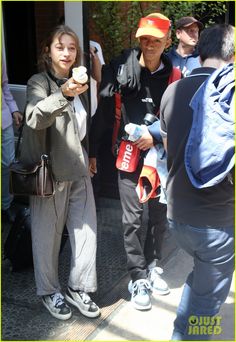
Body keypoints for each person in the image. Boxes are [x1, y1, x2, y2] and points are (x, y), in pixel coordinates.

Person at [90, 13, 181, 311]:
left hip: (160, 157)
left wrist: (154, 137)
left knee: (158, 216)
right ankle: (137, 276)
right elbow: (104, 112)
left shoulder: (174, 75)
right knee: (131, 218)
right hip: (127, 155)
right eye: (145, 38)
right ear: (139, 39)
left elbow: (178, 120)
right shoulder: (121, 70)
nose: (150, 44)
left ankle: (153, 264)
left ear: (167, 41)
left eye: (156, 39)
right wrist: (93, 152)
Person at [19, 25, 100, 320]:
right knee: (47, 235)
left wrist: (90, 154)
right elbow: (33, 118)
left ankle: (78, 288)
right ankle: (49, 291)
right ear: (47, 51)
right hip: (50, 171)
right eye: (60, 47)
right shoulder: (38, 82)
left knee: (87, 231)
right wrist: (64, 93)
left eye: (72, 48)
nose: (67, 53)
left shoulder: (82, 82)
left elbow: (85, 122)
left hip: (78, 167)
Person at [160, 24, 235, 340]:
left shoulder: (172, 91)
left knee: (200, 279)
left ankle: (180, 330)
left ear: (201, 50)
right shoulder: (230, 95)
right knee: (208, 309)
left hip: (177, 218)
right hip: (215, 224)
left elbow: (168, 150)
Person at [1, 52, 23, 223]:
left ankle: (5, 207)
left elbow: (4, 86)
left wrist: (14, 109)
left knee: (8, 165)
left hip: (4, 121)